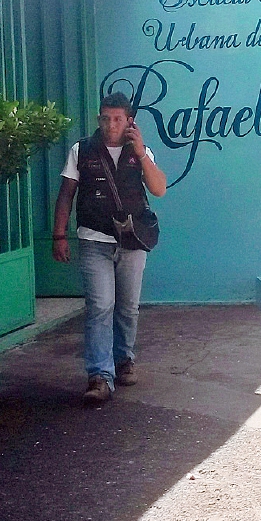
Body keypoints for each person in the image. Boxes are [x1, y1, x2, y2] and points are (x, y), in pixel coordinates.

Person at [52, 92, 167, 405]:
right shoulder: (82, 150)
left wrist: (142, 153)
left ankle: (124, 359)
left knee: (127, 306)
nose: (110, 125)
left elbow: (158, 189)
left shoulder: (140, 152)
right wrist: (59, 235)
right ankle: (100, 376)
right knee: (101, 305)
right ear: (99, 118)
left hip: (132, 241)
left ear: (129, 121)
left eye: (118, 119)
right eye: (105, 118)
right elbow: (66, 195)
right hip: (94, 239)